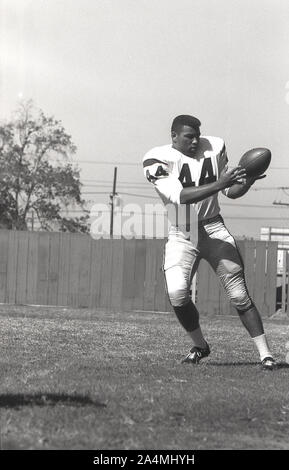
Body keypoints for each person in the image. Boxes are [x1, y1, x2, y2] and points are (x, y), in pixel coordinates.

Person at [143, 114, 275, 370]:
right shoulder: (156, 159)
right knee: (177, 293)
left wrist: (245, 182)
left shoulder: (215, 146)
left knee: (238, 294)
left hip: (214, 227)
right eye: (188, 137)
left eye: (197, 136)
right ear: (174, 136)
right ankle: (200, 345)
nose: (195, 141)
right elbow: (181, 197)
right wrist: (220, 183)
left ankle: (266, 355)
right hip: (183, 230)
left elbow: (230, 191)